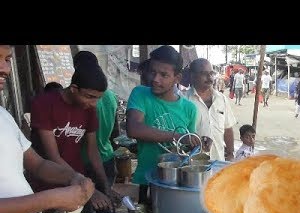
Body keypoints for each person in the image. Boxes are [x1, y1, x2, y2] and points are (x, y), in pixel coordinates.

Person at [0, 45, 95, 213]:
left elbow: (38, 164)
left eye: (7, 59)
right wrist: (51, 198)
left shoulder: (3, 116)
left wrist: (74, 176)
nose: (5, 68)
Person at [29, 63, 114, 213]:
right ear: (74, 89)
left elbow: (93, 151)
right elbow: (53, 156)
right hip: (47, 185)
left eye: (97, 99)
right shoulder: (44, 104)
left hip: (77, 181)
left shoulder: (89, 109)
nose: (93, 103)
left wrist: (105, 186)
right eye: (89, 97)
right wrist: (89, 190)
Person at [126, 45, 200, 203]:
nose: (155, 79)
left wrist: (198, 143)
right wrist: (177, 136)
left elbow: (188, 146)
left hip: (176, 183)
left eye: (163, 75)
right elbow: (133, 129)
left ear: (177, 78)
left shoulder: (190, 109)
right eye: (153, 72)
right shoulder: (140, 94)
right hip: (147, 181)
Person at [73, 51, 120, 191]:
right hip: (107, 156)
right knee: (106, 203)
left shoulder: (84, 100)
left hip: (86, 161)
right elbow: (115, 131)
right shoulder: (111, 96)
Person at [184, 58, 236, 162]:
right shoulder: (183, 100)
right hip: (192, 165)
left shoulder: (221, 99)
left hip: (218, 162)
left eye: (211, 73)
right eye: (204, 73)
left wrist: (230, 154)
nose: (210, 78)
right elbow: (179, 134)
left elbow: (228, 129)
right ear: (192, 75)